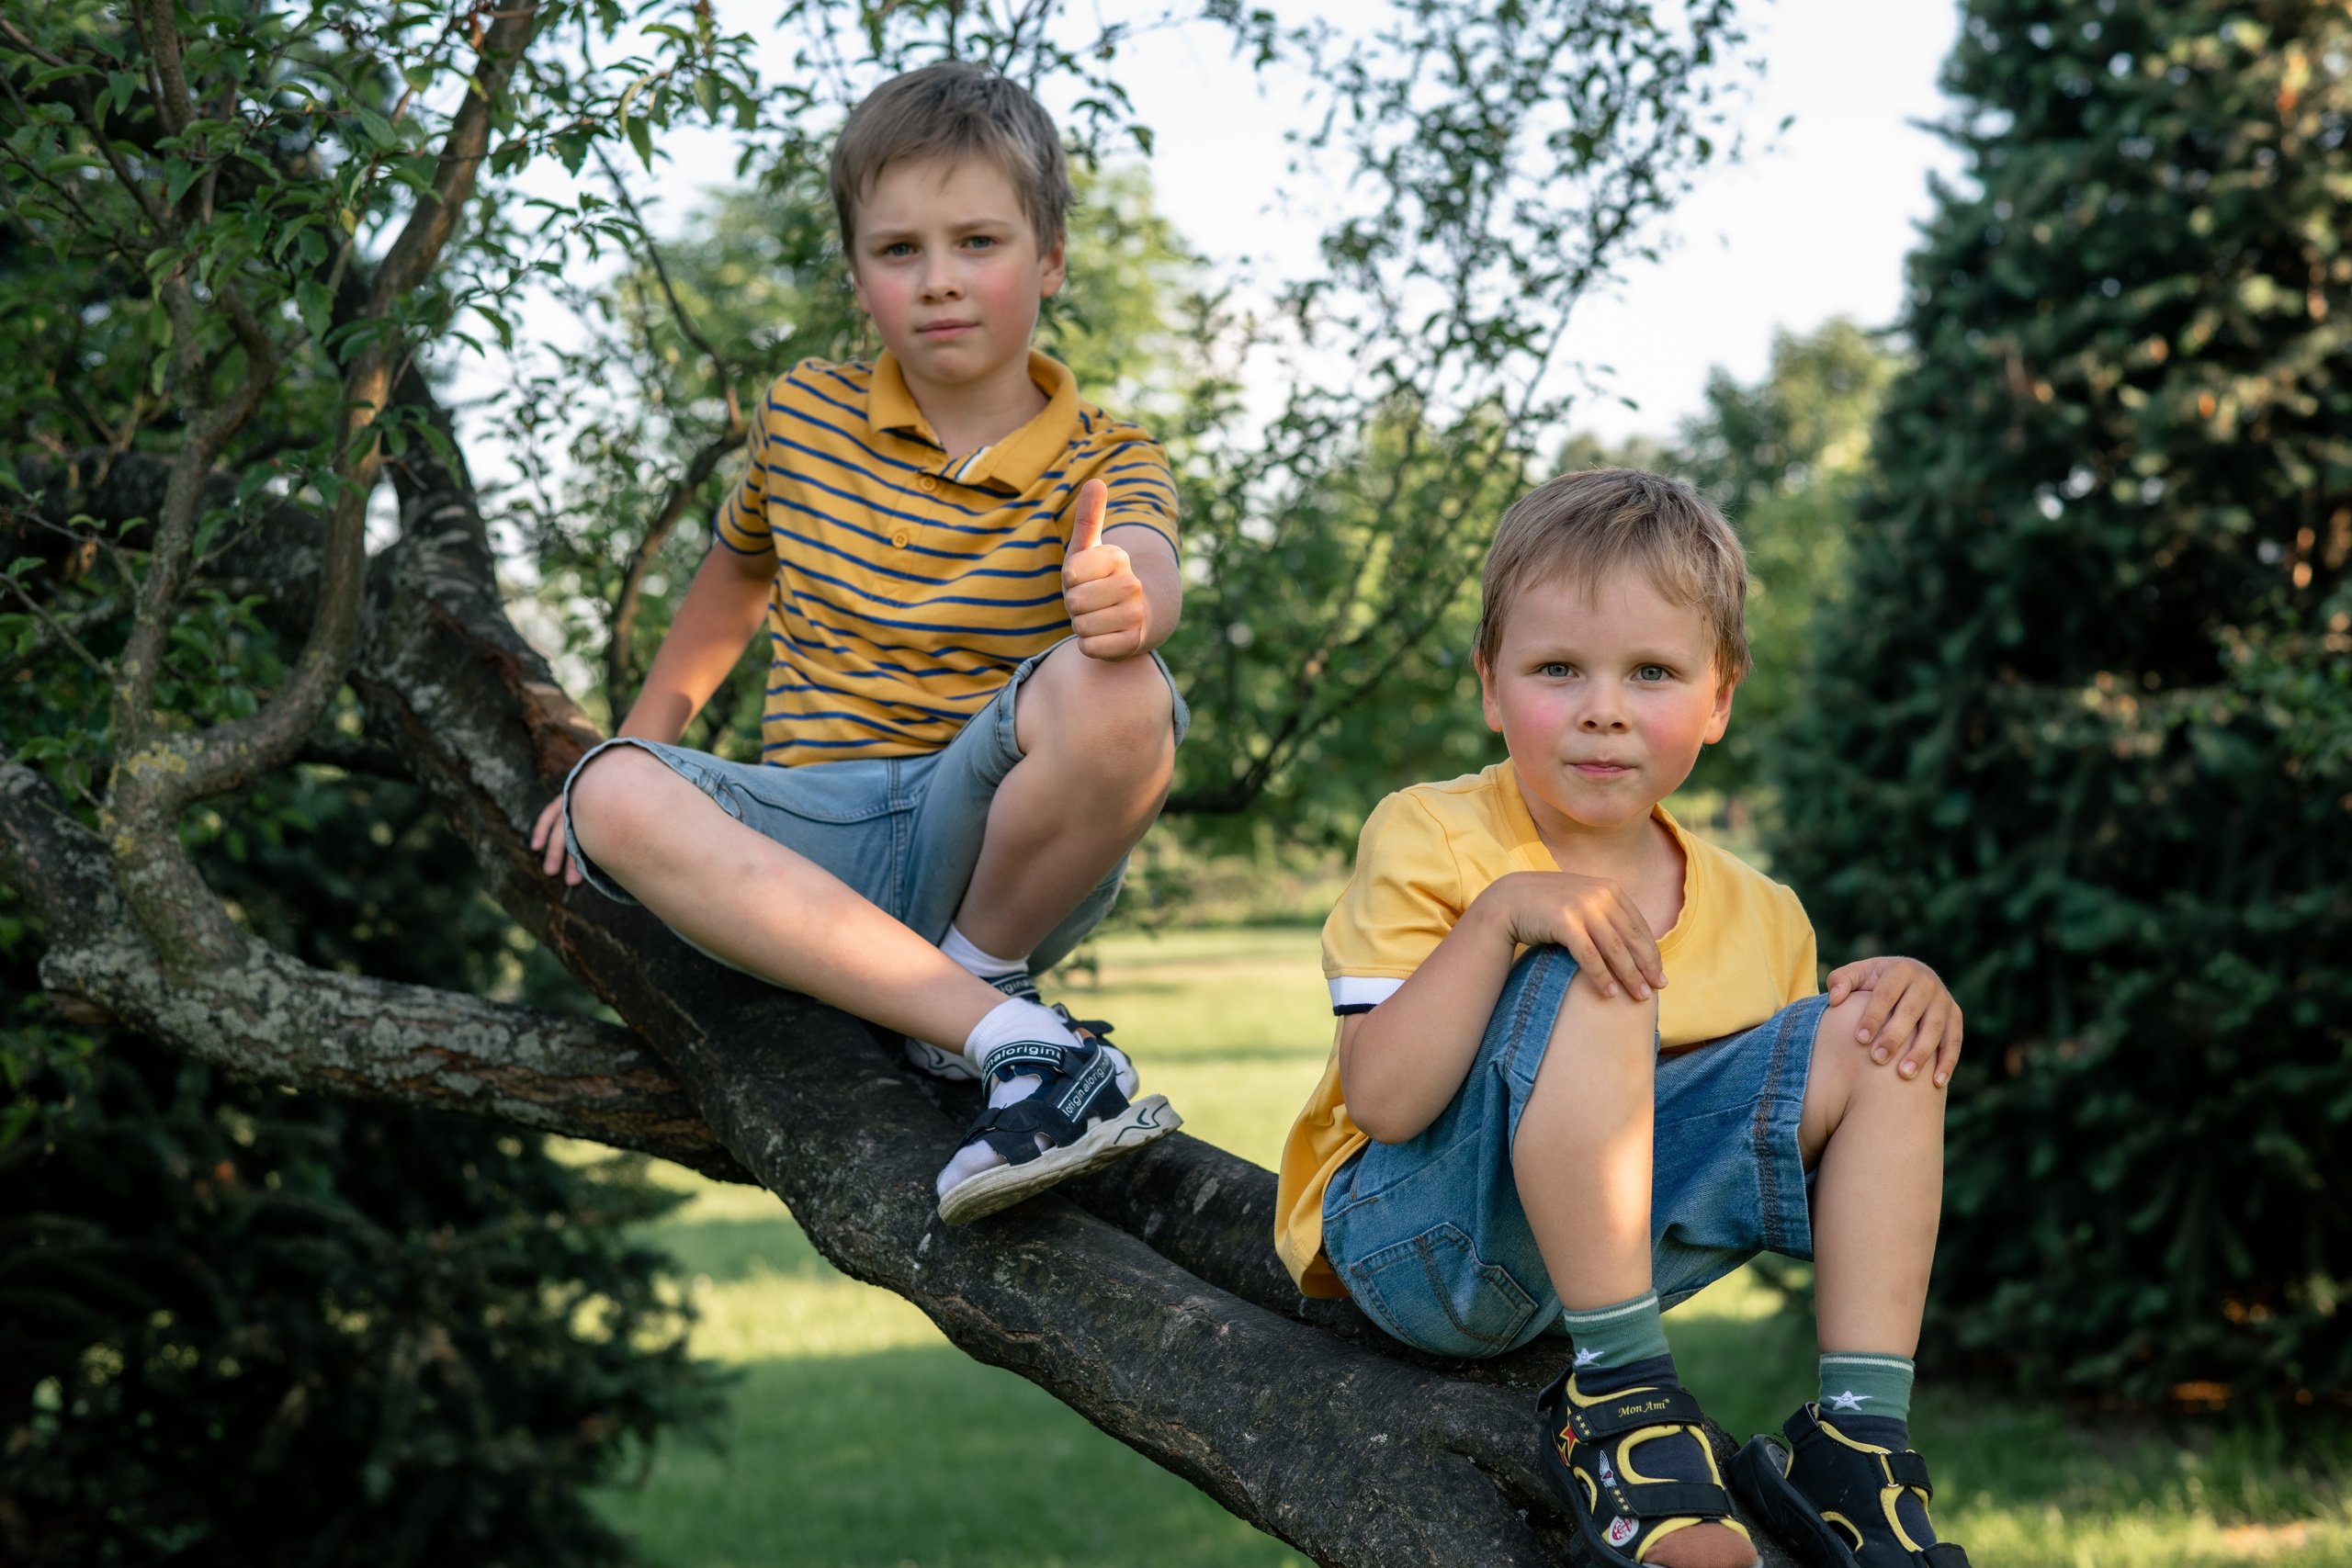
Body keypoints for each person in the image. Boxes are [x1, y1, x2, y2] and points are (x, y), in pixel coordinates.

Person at [1274, 469, 1972, 1568]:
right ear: (1491, 689)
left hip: (1607, 1252)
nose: (1603, 707)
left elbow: (1770, 1134)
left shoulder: (1763, 913)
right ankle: (1623, 1410)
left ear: (1719, 697)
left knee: (1878, 1033)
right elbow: (1386, 1100)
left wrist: (1907, 996)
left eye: (1651, 672)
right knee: (1593, 956)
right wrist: (1505, 917)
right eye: (1558, 669)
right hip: (1417, 1236)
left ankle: (1856, 1443)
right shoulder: (1434, 834)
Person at [530, 62, 1186, 1225]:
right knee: (611, 792)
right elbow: (735, 570)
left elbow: (1145, 558)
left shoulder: (1107, 452)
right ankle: (1010, 1039)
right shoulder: (804, 416)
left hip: (987, 843)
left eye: (978, 242)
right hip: (816, 844)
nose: (939, 282)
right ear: (857, 275)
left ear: (1048, 261)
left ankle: (981, 975)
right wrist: (641, 737)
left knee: (1125, 691)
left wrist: (1124, 598)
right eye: (898, 252)